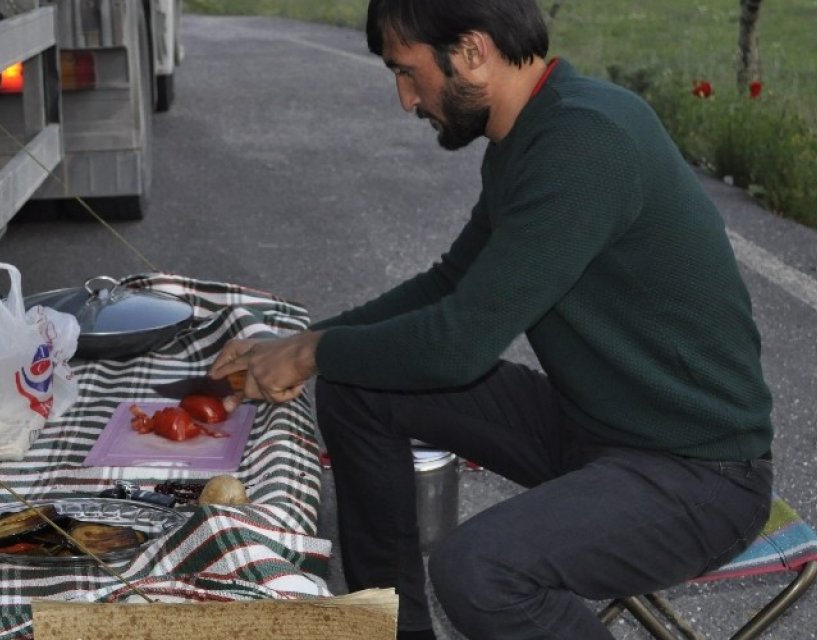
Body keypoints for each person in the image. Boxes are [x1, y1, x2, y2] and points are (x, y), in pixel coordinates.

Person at [209, 0, 775, 638]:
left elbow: (458, 347)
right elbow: (449, 285)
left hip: (698, 476)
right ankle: (393, 629)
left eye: (407, 72)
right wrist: (306, 342)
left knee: (480, 570)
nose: (405, 99)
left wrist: (310, 355)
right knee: (361, 380)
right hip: (594, 430)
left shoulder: (585, 143)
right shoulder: (529, 137)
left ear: (473, 51)